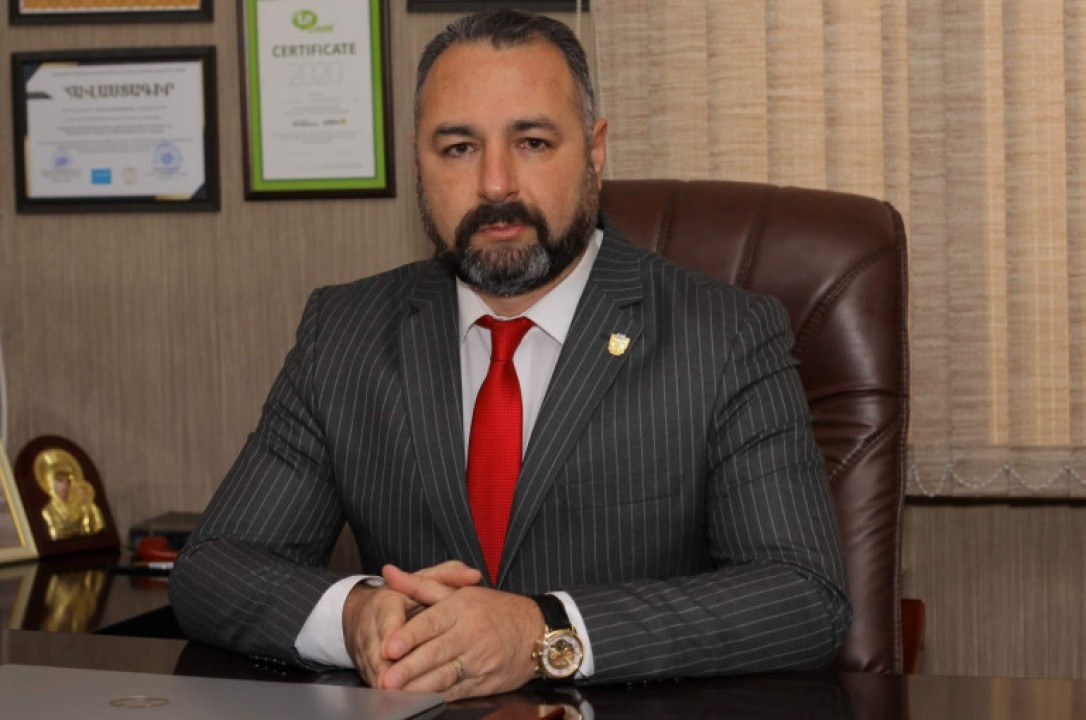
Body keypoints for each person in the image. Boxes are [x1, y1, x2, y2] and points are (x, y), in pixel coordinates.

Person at [170, 9, 851, 702]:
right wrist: (351, 615)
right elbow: (212, 570)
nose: (495, 184)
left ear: (595, 151)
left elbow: (801, 596)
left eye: (531, 142)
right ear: (418, 162)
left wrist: (544, 630)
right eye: (458, 148)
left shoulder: (726, 335)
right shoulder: (344, 333)